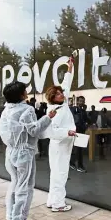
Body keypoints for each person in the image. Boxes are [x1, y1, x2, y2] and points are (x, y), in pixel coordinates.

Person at [0, 81, 56, 220]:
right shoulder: (27, 109)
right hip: (24, 153)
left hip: (10, 152)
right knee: (24, 189)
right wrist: (47, 118)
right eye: (25, 91)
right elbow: (34, 130)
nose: (27, 93)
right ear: (22, 95)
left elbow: (4, 132)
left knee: (14, 186)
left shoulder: (6, 111)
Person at [44, 58, 77, 212]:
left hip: (63, 144)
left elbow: (66, 83)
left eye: (61, 93)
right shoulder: (53, 111)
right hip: (59, 145)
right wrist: (68, 132)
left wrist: (70, 67)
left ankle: (52, 200)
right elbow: (52, 132)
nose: (61, 94)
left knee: (56, 173)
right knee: (60, 174)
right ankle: (58, 204)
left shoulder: (62, 103)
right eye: (58, 94)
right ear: (52, 98)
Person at [70, 95, 89, 173]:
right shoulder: (74, 109)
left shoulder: (82, 110)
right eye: (80, 101)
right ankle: (79, 166)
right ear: (77, 101)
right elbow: (76, 120)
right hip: (77, 131)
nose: (82, 102)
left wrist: (88, 123)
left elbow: (86, 119)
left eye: (83, 101)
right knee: (78, 149)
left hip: (82, 131)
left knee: (79, 149)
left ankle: (72, 163)